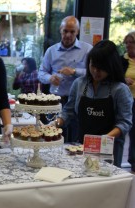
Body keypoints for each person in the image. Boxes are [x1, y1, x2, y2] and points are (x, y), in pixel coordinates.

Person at [55, 40, 133, 168]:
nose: (96, 71)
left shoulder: (120, 89)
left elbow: (125, 123)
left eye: (101, 68)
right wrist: (56, 124)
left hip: (109, 151)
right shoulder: (80, 84)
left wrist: (102, 140)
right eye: (93, 65)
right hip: (81, 146)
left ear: (111, 66)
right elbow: (68, 111)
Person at [38, 16, 92, 142]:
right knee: (53, 138)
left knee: (76, 140)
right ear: (60, 30)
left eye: (72, 31)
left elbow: (92, 73)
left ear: (77, 31)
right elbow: (41, 73)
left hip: (79, 102)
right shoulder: (51, 51)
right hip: (55, 101)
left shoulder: (87, 49)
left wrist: (74, 71)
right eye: (65, 31)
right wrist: (50, 78)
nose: (68, 35)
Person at [121, 31, 135, 172]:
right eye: (127, 42)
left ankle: (133, 163)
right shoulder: (122, 60)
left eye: (132, 42)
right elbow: (115, 77)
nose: (129, 45)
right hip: (126, 100)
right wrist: (124, 80)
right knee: (124, 129)